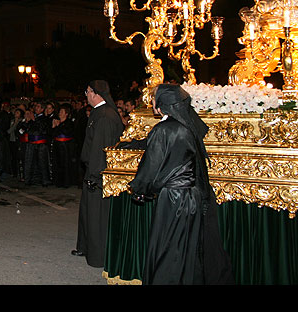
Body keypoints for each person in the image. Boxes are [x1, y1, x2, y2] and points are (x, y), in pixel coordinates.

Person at [128, 84, 234, 285]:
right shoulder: (188, 126)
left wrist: (140, 189)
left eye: (153, 99)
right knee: (187, 248)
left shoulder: (164, 129)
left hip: (174, 198)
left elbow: (151, 167)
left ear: (162, 104)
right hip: (192, 196)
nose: (151, 103)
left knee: (168, 248)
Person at [71, 80, 124, 268]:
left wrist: (94, 175)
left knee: (97, 215)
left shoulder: (106, 115)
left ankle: (98, 255)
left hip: (98, 174)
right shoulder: (99, 112)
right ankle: (86, 247)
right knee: (88, 212)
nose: (86, 95)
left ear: (96, 93)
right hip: (92, 171)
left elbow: (101, 148)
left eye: (87, 91)